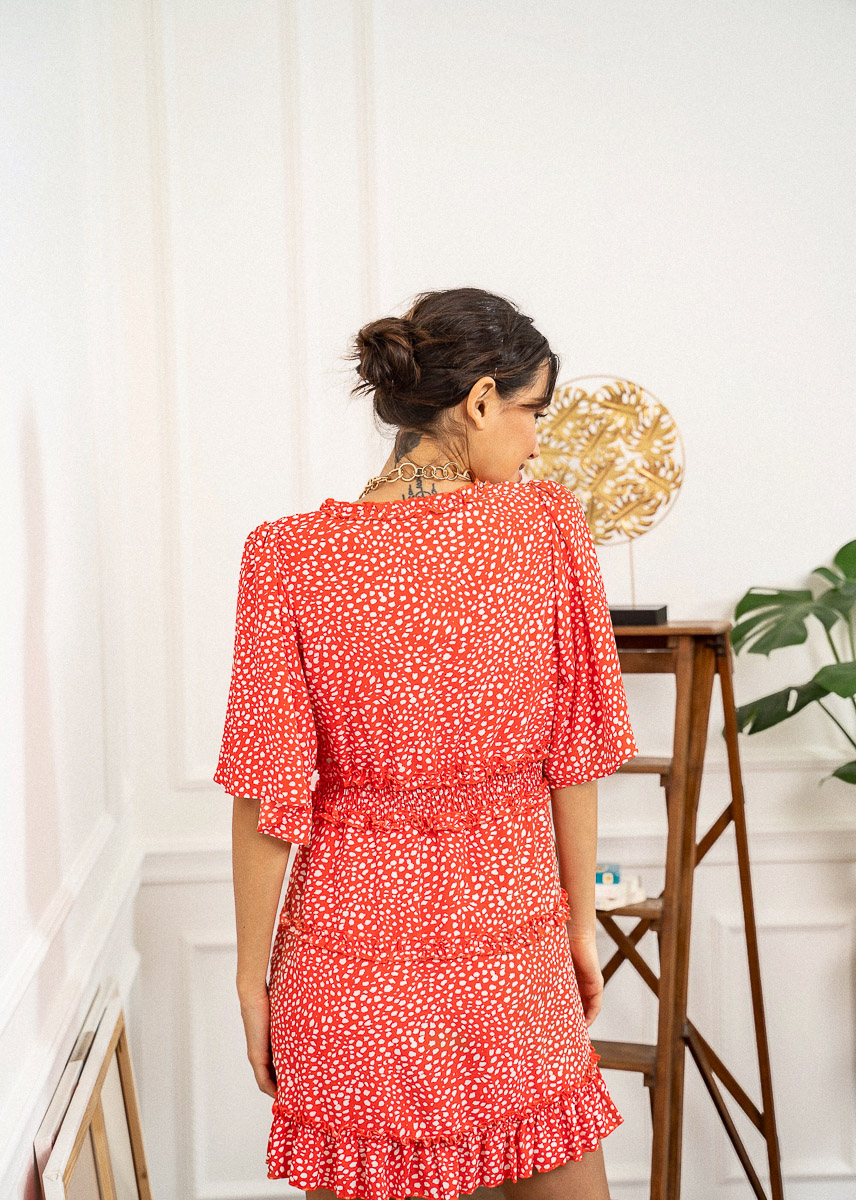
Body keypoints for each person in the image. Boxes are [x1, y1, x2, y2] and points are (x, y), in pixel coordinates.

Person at [214, 286, 639, 1200]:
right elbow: (573, 753)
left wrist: (253, 978)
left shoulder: (286, 556)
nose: (535, 443)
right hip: (509, 947)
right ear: (481, 401)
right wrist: (580, 924)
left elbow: (265, 792)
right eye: (533, 413)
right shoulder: (549, 529)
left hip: (343, 965)